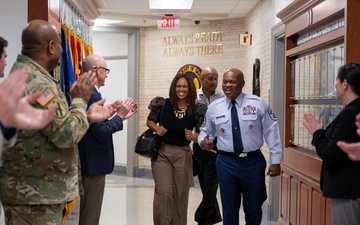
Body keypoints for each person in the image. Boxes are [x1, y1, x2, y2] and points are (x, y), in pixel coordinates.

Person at [0, 19, 116, 225]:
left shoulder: (28, 75)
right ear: (51, 47)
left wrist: (87, 116)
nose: (63, 50)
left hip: (33, 193)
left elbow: (54, 126)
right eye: (60, 45)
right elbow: (66, 135)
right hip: (34, 197)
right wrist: (80, 100)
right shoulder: (36, 82)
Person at [198, 68, 283, 225]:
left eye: (232, 81)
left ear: (242, 84)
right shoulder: (214, 107)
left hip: (253, 162)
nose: (227, 85)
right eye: (225, 81)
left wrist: (276, 160)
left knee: (254, 207)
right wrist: (203, 142)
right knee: (229, 209)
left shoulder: (257, 104)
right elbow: (204, 131)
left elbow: (272, 130)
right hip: (226, 162)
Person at [77, 54, 138, 225]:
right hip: (92, 164)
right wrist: (119, 117)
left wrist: (118, 116)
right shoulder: (92, 95)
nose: (107, 74)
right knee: (90, 216)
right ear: (96, 70)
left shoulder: (88, 92)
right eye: (105, 70)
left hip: (89, 162)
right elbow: (100, 132)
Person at [302, 63, 360, 225]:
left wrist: (317, 133)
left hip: (347, 191)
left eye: (336, 80)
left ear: (345, 84)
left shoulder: (351, 114)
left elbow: (331, 154)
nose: (335, 85)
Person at [146, 72, 207, 225]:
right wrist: (156, 128)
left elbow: (202, 133)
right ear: (174, 87)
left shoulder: (197, 109)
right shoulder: (163, 104)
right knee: (164, 192)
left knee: (180, 197)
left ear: (190, 89)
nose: (181, 89)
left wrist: (193, 137)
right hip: (162, 154)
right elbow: (150, 121)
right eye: (178, 86)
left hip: (183, 155)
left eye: (185, 86)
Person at [193, 66, 224, 225]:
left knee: (212, 186)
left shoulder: (223, 97)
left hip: (217, 145)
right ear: (201, 79)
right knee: (206, 185)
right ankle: (211, 219)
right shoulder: (194, 97)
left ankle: (200, 217)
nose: (214, 82)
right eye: (210, 78)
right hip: (199, 145)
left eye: (216, 78)